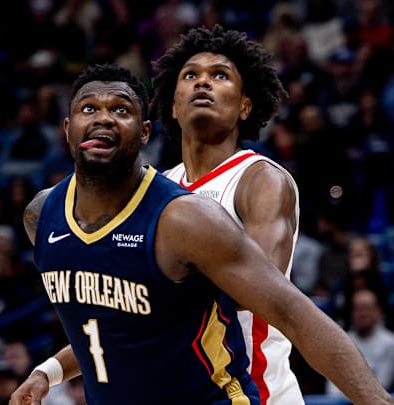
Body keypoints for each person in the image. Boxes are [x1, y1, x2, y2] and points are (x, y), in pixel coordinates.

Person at [9, 64, 392, 404]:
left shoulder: (200, 210)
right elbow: (118, 323)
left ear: (145, 132)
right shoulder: (42, 216)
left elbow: (287, 309)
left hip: (254, 384)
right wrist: (48, 371)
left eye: (120, 110)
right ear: (66, 128)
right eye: (89, 109)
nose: (103, 119)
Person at [152, 24, 300, 404]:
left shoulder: (260, 180)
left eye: (219, 75)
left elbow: (260, 290)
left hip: (259, 394)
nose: (203, 83)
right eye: (191, 76)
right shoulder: (154, 189)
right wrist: (48, 371)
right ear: (173, 103)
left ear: (245, 106)